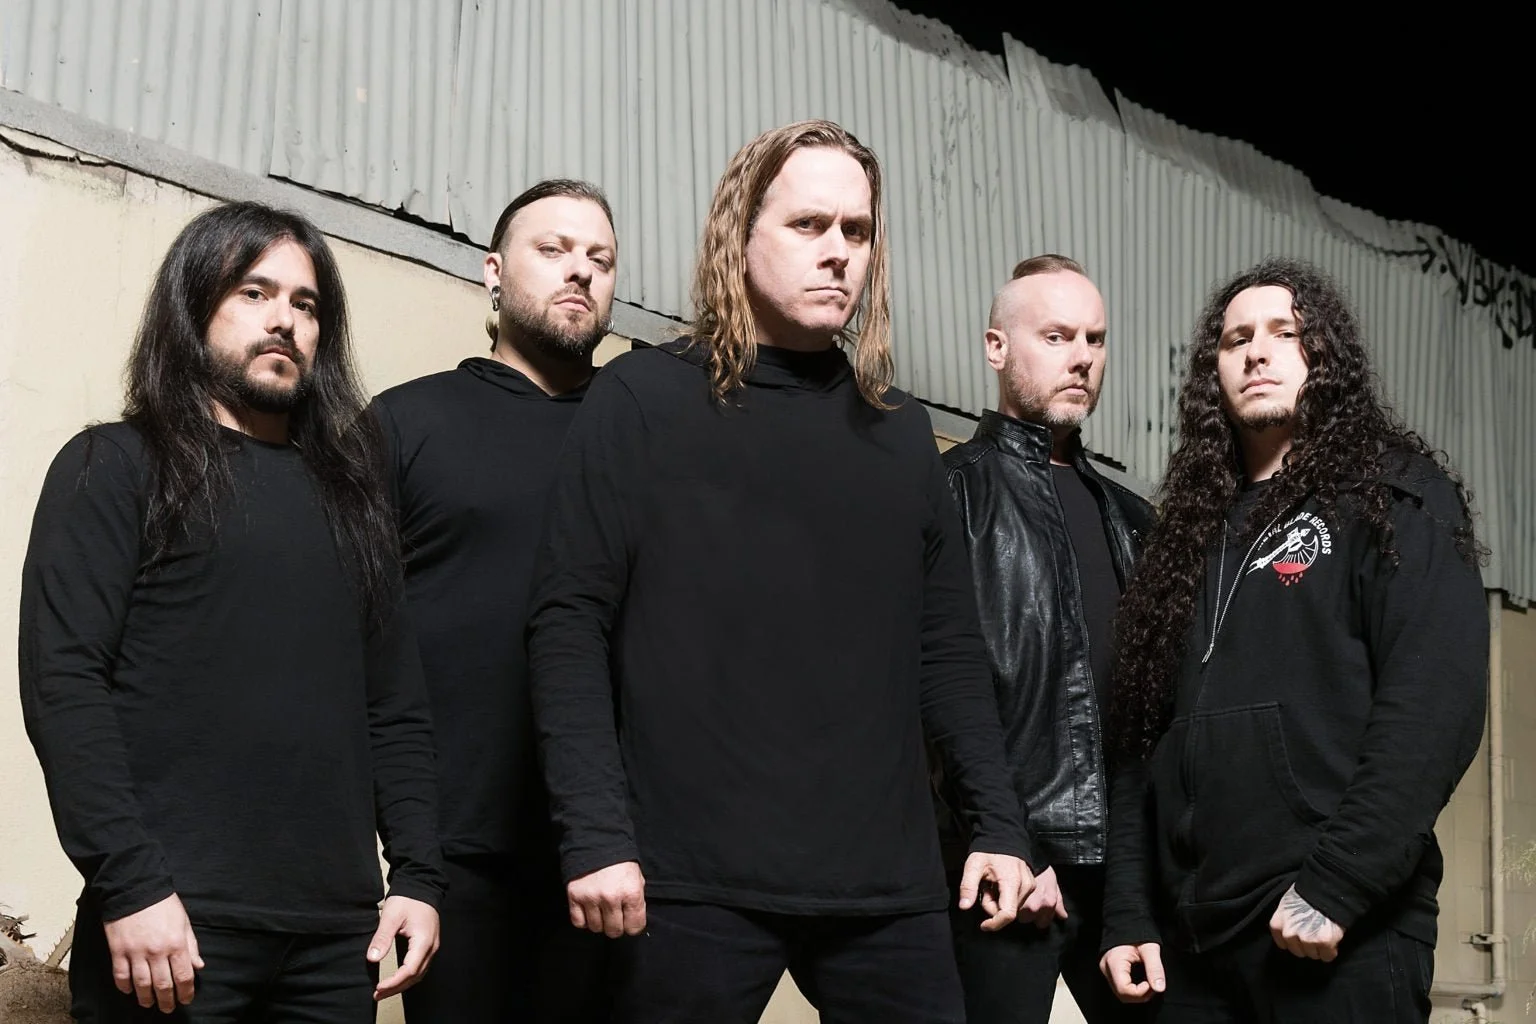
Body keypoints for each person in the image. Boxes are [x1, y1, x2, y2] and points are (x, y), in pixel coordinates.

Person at [525, 119, 1034, 1024]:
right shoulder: (642, 400)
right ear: (741, 234)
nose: (838, 251)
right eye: (808, 225)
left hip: (884, 886)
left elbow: (949, 651)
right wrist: (595, 834)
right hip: (686, 878)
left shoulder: (901, 433)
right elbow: (568, 623)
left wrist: (998, 824)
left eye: (857, 230)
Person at [19, 202, 444, 1022]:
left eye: (305, 304)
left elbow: (395, 710)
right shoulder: (113, 466)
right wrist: (128, 883)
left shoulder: (353, 504)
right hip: (170, 925)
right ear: (194, 306)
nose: (284, 319)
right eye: (254, 292)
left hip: (335, 942)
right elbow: (64, 684)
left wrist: (420, 877)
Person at [1098, 257, 1488, 1022]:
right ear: (1213, 371)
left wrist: (1339, 884)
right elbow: (1138, 743)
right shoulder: (1184, 540)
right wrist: (1128, 912)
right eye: (1236, 338)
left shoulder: (1393, 495)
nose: (1258, 352)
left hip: (1335, 933)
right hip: (1193, 949)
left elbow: (1432, 706)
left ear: (1324, 356)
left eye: (1285, 332)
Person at [371, 179, 619, 1022]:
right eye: (553, 249)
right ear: (492, 271)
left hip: (616, 854)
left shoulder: (642, 436)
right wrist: (403, 851)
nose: (580, 271)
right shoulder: (405, 423)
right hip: (454, 854)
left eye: (600, 258)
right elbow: (351, 639)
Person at [940, 254, 1153, 1023]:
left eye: (1095, 338)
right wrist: (1010, 844)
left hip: (1123, 884)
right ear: (996, 347)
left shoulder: (1134, 520)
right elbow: (928, 696)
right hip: (998, 872)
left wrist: (1133, 885)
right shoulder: (950, 494)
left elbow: (1149, 717)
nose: (1082, 357)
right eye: (1057, 336)